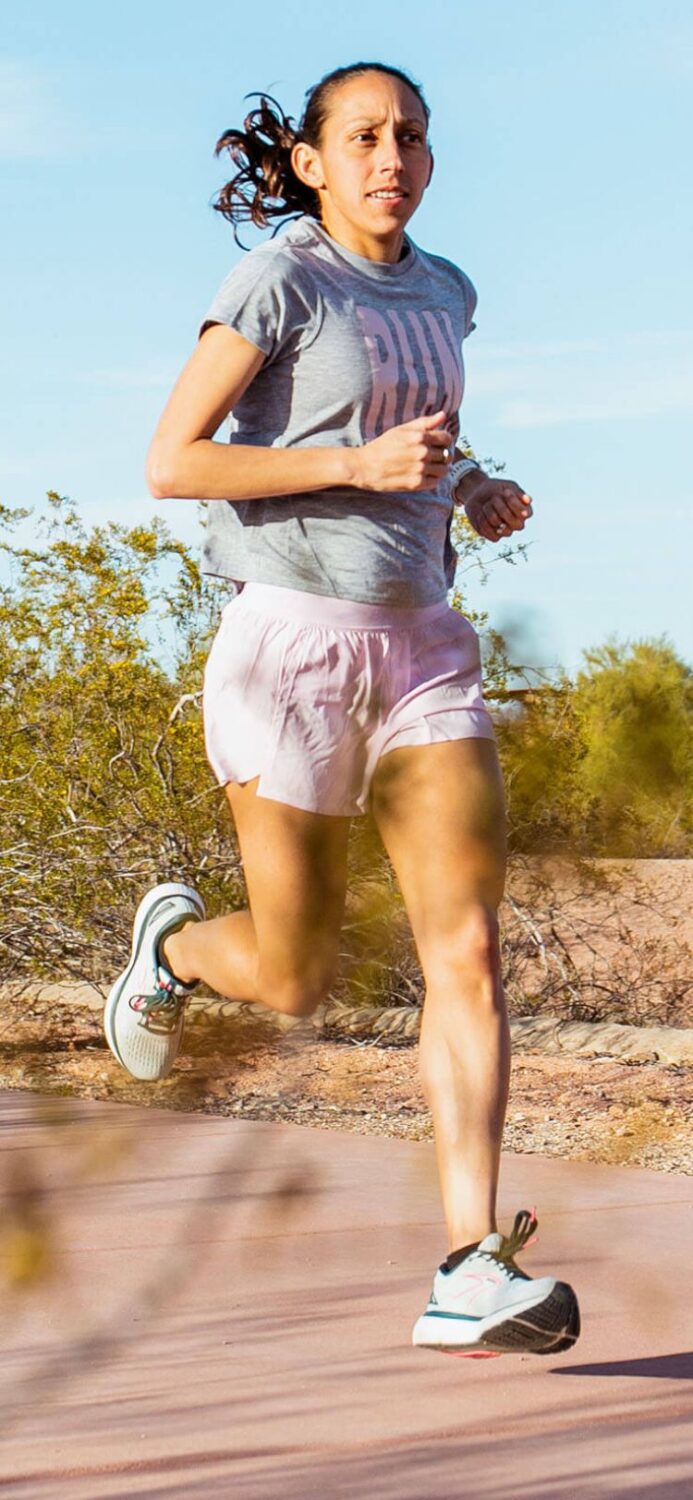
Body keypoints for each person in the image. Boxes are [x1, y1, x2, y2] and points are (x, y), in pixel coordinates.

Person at [104, 61, 580, 1358]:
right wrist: (354, 467)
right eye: (363, 136)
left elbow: (419, 433)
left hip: (423, 648)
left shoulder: (445, 290)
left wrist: (468, 483)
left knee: (466, 954)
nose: (393, 155)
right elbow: (172, 462)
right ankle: (175, 953)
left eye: (411, 135)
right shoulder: (281, 280)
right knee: (299, 969)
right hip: (290, 648)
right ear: (312, 161)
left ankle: (467, 1266)